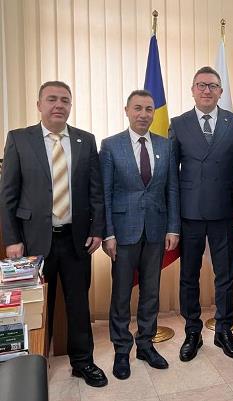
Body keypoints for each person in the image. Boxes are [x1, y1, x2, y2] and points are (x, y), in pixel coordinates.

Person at [0, 81, 108, 387]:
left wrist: (97, 230)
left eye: (64, 100)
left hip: (77, 240)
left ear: (70, 106)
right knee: (36, 308)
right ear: (39, 105)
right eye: (51, 99)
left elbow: (96, 192)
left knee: (78, 305)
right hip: (33, 243)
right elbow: (7, 195)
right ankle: (31, 367)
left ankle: (83, 362)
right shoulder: (19, 139)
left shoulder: (85, 140)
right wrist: (12, 239)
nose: (58, 105)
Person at [99, 90, 180, 379]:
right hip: (123, 233)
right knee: (121, 294)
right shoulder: (111, 145)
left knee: (151, 292)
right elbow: (105, 194)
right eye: (138, 108)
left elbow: (172, 189)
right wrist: (108, 234)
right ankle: (122, 350)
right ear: (127, 111)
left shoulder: (166, 146)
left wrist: (173, 227)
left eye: (148, 109)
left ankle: (146, 344)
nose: (143, 114)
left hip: (157, 230)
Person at [169, 66, 233, 361]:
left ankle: (224, 330)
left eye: (212, 86)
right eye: (201, 85)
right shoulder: (179, 124)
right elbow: (171, 177)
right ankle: (193, 332)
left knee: (225, 276)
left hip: (224, 213)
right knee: (189, 277)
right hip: (189, 215)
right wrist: (173, 218)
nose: (206, 90)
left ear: (220, 91)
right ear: (192, 90)